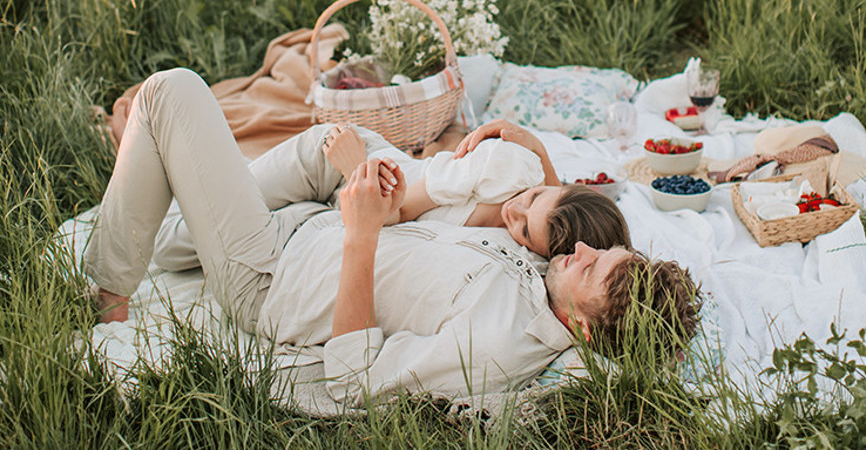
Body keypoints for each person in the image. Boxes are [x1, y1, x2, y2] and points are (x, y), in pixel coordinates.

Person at [85, 68, 700, 405]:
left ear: (585, 330)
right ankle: (164, 202)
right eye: (599, 251)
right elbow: (564, 218)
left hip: (269, 276)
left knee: (171, 92)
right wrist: (533, 150)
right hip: (311, 221)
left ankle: (107, 288)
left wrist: (361, 235)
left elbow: (354, 380)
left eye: (591, 267)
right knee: (179, 221)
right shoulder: (552, 280)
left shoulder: (496, 345)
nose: (579, 253)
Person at [149, 118, 630, 272]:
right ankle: (164, 138)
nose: (514, 212)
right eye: (533, 198)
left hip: (344, 205)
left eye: (524, 229)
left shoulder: (539, 254)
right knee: (172, 245)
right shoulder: (499, 173)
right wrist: (536, 152)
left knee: (215, 230)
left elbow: (554, 216)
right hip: (345, 161)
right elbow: (397, 211)